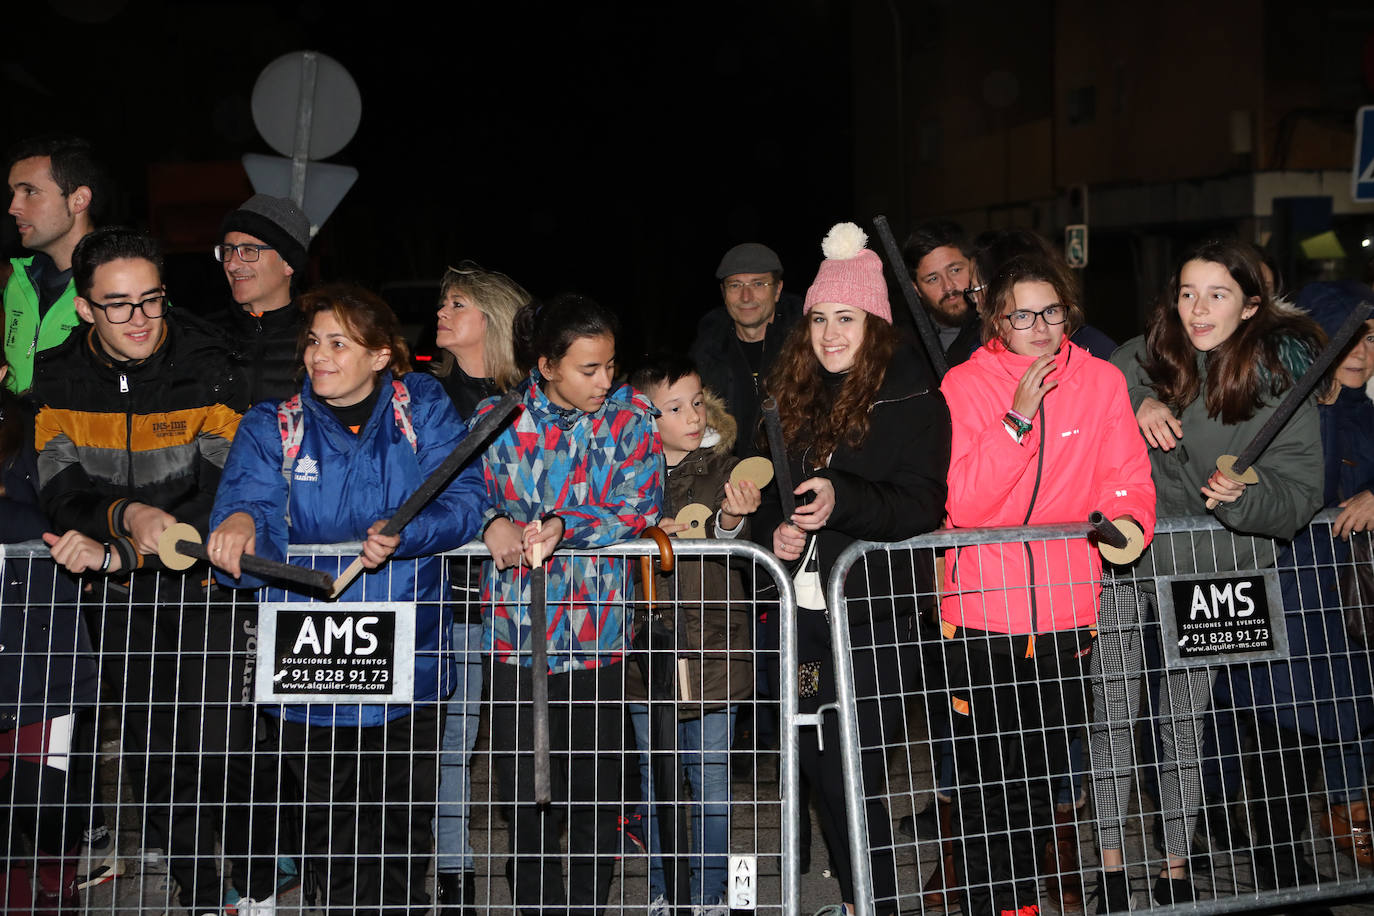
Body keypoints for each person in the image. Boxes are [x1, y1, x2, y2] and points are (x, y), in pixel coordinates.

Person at [208, 282, 487, 914]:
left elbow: (464, 498)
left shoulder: (423, 407)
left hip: (410, 658)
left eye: (339, 343)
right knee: (327, 834)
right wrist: (241, 526)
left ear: (381, 354)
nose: (318, 355)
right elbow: (250, 503)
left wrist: (408, 532)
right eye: (314, 341)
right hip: (312, 665)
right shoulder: (273, 425)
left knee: (402, 831)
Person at [1092, 239, 1324, 910]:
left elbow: (1300, 490)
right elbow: (1103, 382)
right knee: (1111, 717)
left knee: (1184, 727)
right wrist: (1140, 401)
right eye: (1188, 293)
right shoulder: (1143, 354)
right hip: (1127, 562)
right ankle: (1110, 869)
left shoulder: (1275, 380)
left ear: (1250, 305)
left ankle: (1174, 868)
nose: (1198, 309)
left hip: (1210, 571)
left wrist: (1246, 497)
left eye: (1217, 295)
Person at [32, 227, 257, 915]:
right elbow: (59, 488)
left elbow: (229, 483)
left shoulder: (211, 361)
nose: (139, 319)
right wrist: (126, 515)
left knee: (224, 745)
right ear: (84, 309)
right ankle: (198, 887)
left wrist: (151, 538)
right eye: (118, 304)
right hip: (117, 592)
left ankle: (252, 878)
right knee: (153, 750)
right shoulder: (57, 376)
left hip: (206, 585)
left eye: (151, 300)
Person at [937, 253, 1155, 916]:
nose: (1039, 327)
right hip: (981, 614)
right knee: (985, 779)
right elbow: (967, 504)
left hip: (1066, 613)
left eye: (1051, 312)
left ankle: (1022, 903)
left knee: (1039, 777)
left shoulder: (1100, 381)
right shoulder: (965, 384)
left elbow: (1126, 474)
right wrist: (1018, 420)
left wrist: (1128, 518)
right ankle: (989, 902)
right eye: (1023, 315)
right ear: (996, 321)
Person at [758, 222, 951, 916]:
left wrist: (845, 498)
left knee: (856, 764)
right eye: (819, 318)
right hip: (806, 623)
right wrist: (773, 531)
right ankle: (860, 898)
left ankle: (878, 902)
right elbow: (774, 495)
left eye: (847, 317)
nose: (830, 333)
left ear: (874, 323)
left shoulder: (912, 396)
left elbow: (922, 504)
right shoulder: (794, 394)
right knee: (819, 759)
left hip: (875, 619)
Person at [475, 292, 662, 916]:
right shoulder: (496, 419)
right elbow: (460, 489)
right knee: (524, 801)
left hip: (596, 639)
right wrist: (491, 520)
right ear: (547, 365)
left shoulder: (630, 420)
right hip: (515, 638)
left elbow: (640, 503)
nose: (605, 380)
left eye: (610, 365)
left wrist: (565, 524)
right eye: (589, 369)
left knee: (593, 799)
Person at [625, 353, 760, 913]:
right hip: (647, 650)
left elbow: (737, 535)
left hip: (715, 649)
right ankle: (665, 892)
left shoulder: (725, 467)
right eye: (675, 408)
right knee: (657, 781)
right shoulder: (627, 472)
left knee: (710, 782)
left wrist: (731, 519)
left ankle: (712, 893)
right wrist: (639, 531)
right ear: (644, 417)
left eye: (697, 402)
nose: (693, 415)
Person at [428, 261, 528, 915]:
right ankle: (454, 876)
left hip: (527, 601)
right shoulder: (424, 397)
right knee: (452, 747)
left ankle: (532, 868)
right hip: (457, 599)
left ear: (491, 318)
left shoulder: (535, 397)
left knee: (526, 745)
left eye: (457, 303)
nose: (441, 312)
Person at [0, 346, 100, 911]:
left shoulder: (37, 430)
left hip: (41, 657)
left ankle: (57, 895)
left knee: (47, 807)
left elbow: (61, 516)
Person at [4, 136, 106, 394]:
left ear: (78, 200)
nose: (13, 207)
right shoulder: (19, 282)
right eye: (13, 194)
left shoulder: (121, 288)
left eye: (30, 192)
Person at [690, 242, 803, 457]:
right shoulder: (703, 358)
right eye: (735, 285)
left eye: (758, 284)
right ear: (723, 292)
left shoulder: (807, 351)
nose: (746, 297)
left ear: (777, 290)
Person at [210, 193, 313, 406]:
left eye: (249, 250)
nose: (232, 265)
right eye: (228, 251)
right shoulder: (204, 337)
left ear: (288, 263)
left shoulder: (318, 339)